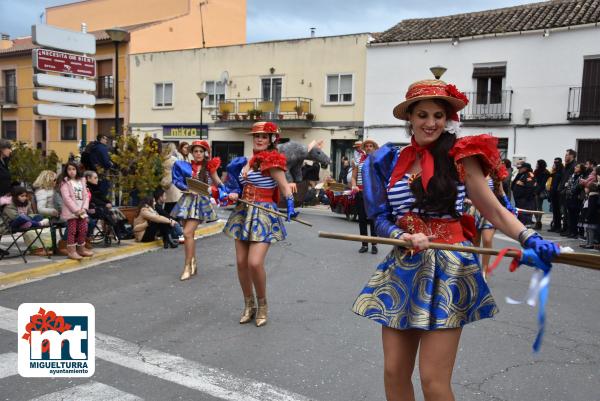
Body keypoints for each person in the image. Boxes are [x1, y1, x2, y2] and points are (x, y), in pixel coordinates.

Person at [351, 78, 559, 401]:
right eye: (422, 115)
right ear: (410, 119)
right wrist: (401, 235)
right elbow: (379, 218)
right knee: (394, 373)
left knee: (433, 381)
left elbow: (494, 210)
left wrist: (528, 236)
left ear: (447, 119)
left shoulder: (462, 157)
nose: (431, 122)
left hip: (448, 266)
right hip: (404, 266)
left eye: (438, 115)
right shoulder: (389, 161)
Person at [223, 121, 297, 327]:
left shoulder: (272, 161)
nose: (260, 139)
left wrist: (290, 206)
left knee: (254, 263)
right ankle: (249, 305)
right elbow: (239, 186)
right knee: (240, 263)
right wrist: (232, 193)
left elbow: (284, 187)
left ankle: (263, 305)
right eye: (257, 136)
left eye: (264, 136)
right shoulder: (247, 161)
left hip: (264, 214)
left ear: (272, 139)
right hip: (243, 212)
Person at [171, 140, 221, 281]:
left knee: (186, 233)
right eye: (195, 151)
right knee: (189, 235)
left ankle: (187, 266)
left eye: (201, 151)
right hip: (186, 201)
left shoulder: (210, 167)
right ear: (192, 153)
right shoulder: (184, 166)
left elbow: (218, 184)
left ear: (205, 153)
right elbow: (176, 180)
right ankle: (192, 261)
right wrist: (187, 188)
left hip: (201, 203)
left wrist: (222, 192)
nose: (198, 154)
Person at [0, 186, 50, 256]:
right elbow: (14, 217)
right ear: (15, 196)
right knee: (22, 217)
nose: (24, 197)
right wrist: (27, 218)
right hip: (11, 225)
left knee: (39, 216)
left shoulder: (27, 203)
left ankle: (30, 223)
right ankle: (38, 224)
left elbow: (30, 214)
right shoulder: (9, 205)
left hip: (25, 222)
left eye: (25, 196)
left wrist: (30, 217)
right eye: (22, 196)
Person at [58, 161, 93, 260]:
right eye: (69, 169)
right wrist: (76, 210)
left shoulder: (82, 181)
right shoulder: (65, 183)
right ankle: (71, 251)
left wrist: (84, 208)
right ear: (66, 171)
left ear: (77, 170)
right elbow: (66, 198)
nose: (71, 171)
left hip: (82, 211)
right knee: (72, 231)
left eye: (74, 169)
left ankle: (81, 249)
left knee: (83, 229)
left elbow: (86, 196)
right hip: (72, 212)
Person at [352, 139, 379, 254]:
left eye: (371, 146)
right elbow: (353, 177)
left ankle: (374, 245)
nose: (368, 148)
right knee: (362, 220)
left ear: (374, 148)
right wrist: (354, 186)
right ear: (364, 148)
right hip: (360, 192)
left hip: (372, 194)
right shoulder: (358, 160)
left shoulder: (377, 160)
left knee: (373, 219)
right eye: (366, 146)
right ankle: (364, 244)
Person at [564, 163, 585, 238]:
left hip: (577, 198)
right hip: (569, 197)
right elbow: (568, 185)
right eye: (576, 166)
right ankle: (571, 231)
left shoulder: (582, 177)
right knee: (570, 215)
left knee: (575, 216)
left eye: (577, 167)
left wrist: (572, 190)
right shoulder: (572, 176)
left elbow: (579, 187)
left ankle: (575, 232)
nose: (575, 167)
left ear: (581, 169)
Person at [558, 149, 576, 235]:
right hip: (562, 192)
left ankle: (568, 229)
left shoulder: (573, 166)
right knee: (564, 212)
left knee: (568, 212)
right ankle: (565, 228)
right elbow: (563, 179)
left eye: (567, 155)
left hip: (568, 193)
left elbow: (570, 180)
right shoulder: (567, 166)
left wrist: (564, 190)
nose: (565, 157)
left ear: (571, 156)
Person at [512, 162, 536, 227]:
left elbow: (530, 187)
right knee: (520, 213)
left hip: (525, 199)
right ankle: (521, 224)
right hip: (520, 199)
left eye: (520, 168)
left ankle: (526, 225)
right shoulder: (521, 175)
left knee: (525, 213)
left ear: (525, 168)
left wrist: (526, 197)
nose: (519, 169)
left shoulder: (529, 175)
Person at [161, 143, 183, 214]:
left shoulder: (162, 159)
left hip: (165, 184)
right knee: (174, 209)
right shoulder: (174, 160)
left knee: (167, 207)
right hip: (174, 185)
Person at [580, 182, 599, 249]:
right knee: (587, 230)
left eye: (586, 188)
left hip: (591, 217)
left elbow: (591, 208)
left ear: (590, 189)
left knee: (590, 230)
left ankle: (590, 244)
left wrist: (587, 217)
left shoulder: (593, 197)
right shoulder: (590, 196)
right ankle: (588, 243)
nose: (585, 189)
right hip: (590, 215)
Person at [533, 159, 550, 230]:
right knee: (534, 207)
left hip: (539, 191)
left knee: (538, 207)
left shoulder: (545, 172)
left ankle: (538, 222)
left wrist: (537, 191)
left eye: (537, 163)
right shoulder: (536, 171)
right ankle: (537, 221)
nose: (536, 165)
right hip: (535, 190)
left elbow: (542, 183)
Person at [548, 158, 564, 232]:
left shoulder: (560, 172)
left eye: (555, 163)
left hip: (557, 194)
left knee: (558, 211)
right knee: (555, 211)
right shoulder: (555, 172)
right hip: (553, 193)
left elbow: (557, 184)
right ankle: (555, 226)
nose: (554, 165)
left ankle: (558, 226)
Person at [0, 139, 13, 204]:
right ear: (2, 149)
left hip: (5, 199)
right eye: (9, 148)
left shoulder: (5, 162)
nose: (10, 151)